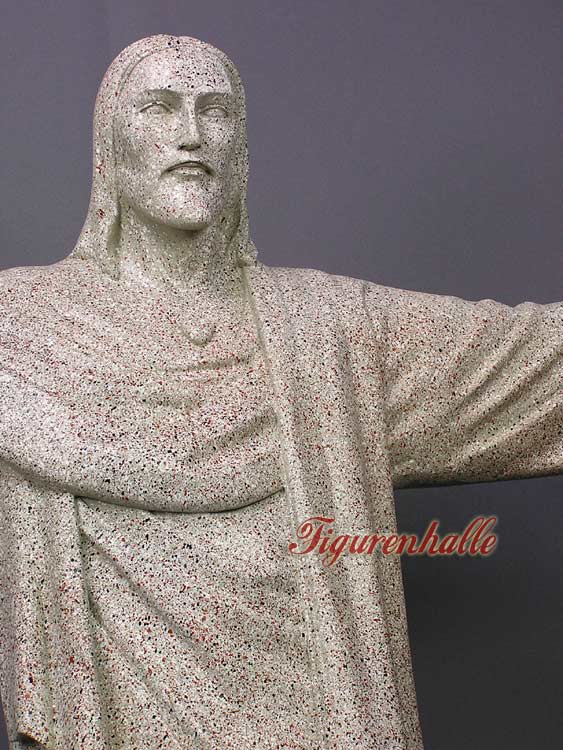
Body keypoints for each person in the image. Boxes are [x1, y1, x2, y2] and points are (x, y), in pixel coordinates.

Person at [0, 34, 561, 750]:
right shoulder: (23, 328)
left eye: (216, 110)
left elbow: (532, 363)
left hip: (322, 713)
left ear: (240, 146)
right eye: (160, 108)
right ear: (109, 145)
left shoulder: (328, 330)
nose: (190, 133)